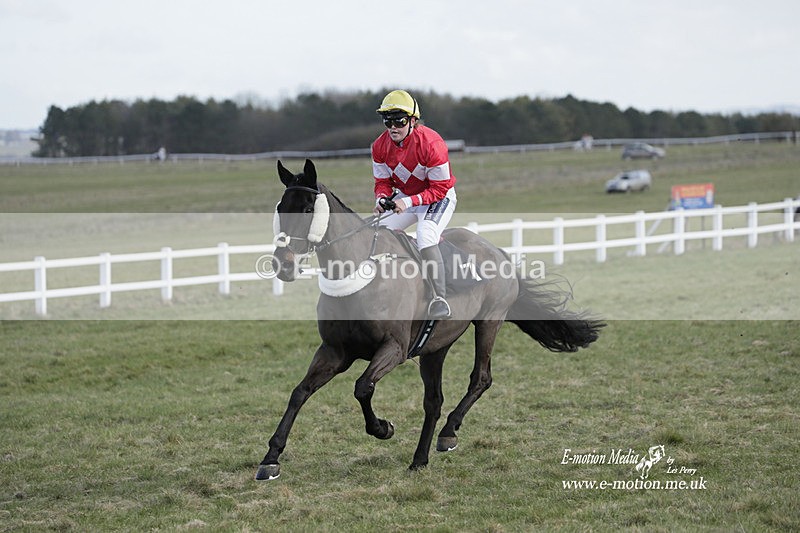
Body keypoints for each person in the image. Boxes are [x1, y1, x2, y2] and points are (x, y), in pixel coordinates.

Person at [371, 89, 457, 319]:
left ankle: (439, 297)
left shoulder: (432, 144)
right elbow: (382, 182)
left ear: (412, 121)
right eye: (387, 121)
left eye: (399, 121)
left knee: (425, 234)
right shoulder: (379, 147)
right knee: (376, 231)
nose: (393, 127)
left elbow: (439, 189)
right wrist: (381, 198)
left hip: (439, 197)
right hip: (407, 198)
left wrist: (407, 201)